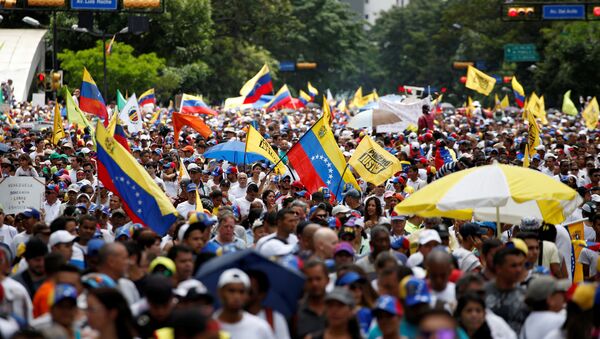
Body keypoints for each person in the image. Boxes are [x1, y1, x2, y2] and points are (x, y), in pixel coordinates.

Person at [214, 268, 275, 339]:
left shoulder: (261, 327)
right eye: (231, 291)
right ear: (220, 292)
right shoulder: (208, 327)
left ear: (247, 295)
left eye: (241, 292)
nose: (236, 296)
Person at [484, 246, 529, 334]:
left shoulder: (525, 296)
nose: (519, 270)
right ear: (498, 268)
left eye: (520, 265)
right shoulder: (482, 293)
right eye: (513, 266)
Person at [246, 270, 290, 339]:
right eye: (242, 291)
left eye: (250, 292)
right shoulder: (231, 317)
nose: (244, 296)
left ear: (262, 294)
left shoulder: (275, 319)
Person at [297, 260, 329, 338]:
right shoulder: (295, 311)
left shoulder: (338, 308)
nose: (314, 284)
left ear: (327, 280)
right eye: (309, 280)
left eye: (318, 279)